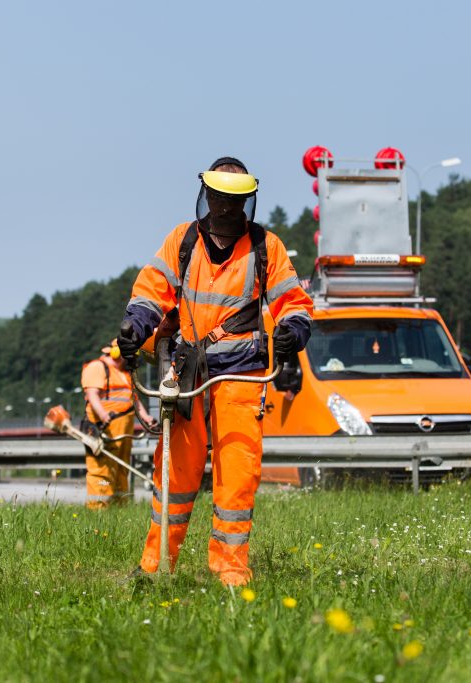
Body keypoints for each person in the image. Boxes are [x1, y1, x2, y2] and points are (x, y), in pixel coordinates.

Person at [117, 156, 312, 586]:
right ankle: (155, 568)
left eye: (235, 199)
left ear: (247, 201)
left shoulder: (266, 247)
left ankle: (230, 571)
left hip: (242, 374)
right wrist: (136, 325)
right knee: (175, 472)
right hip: (190, 372)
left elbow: (292, 300)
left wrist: (294, 329)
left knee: (237, 474)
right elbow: (152, 290)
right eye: (221, 197)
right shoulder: (182, 241)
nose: (225, 206)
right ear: (208, 194)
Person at [80, 339, 154, 510]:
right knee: (102, 468)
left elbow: (133, 399)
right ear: (117, 353)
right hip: (104, 428)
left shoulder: (124, 372)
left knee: (122, 468)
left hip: (123, 429)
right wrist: (104, 415)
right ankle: (97, 507)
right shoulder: (97, 367)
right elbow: (92, 395)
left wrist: (146, 418)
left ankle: (120, 506)